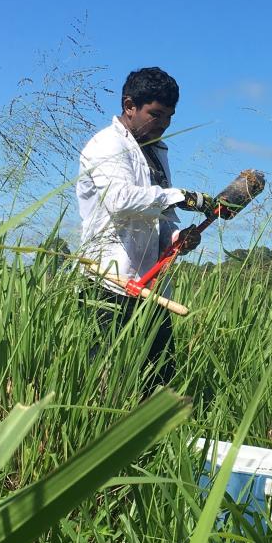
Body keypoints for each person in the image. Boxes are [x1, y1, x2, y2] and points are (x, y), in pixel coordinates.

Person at [76, 66, 219, 387]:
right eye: (155, 114)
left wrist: (177, 237)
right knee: (107, 382)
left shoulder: (155, 151)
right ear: (129, 106)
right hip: (108, 283)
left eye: (169, 117)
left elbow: (158, 214)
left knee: (159, 381)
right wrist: (180, 196)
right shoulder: (107, 145)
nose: (163, 124)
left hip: (150, 288)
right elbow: (120, 199)